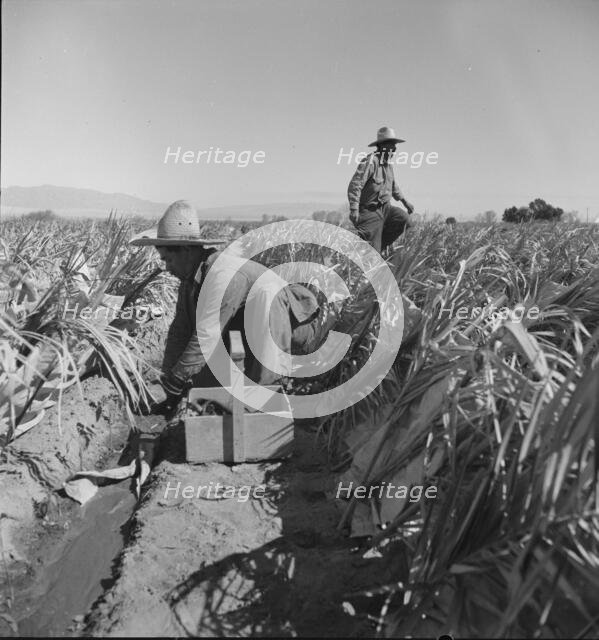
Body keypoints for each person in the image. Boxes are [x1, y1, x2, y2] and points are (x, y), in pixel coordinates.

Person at [130, 200, 333, 413]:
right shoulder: (190, 281)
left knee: (265, 300)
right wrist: (168, 380)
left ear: (187, 251)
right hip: (249, 333)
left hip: (293, 333)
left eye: (169, 260)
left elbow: (206, 336)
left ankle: (265, 408)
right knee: (206, 384)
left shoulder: (223, 275)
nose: (167, 267)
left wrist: (173, 384)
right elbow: (180, 331)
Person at [347, 126, 415, 253]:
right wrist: (354, 209)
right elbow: (355, 185)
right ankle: (371, 246)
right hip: (369, 211)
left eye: (395, 145)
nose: (394, 149)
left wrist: (405, 202)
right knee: (371, 254)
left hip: (386, 209)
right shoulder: (371, 161)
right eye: (392, 145)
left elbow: (394, 186)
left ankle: (378, 245)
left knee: (405, 220)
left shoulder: (388, 165)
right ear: (383, 146)